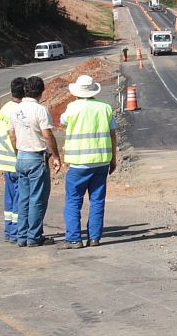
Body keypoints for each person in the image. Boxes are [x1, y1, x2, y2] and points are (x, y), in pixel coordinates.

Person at [59, 74, 118, 249]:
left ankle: (74, 239)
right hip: (101, 162)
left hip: (78, 163)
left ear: (77, 91)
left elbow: (62, 122)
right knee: (97, 200)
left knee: (73, 201)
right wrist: (113, 159)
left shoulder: (72, 107)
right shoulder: (105, 108)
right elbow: (113, 134)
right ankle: (94, 238)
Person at [9, 76, 61, 247]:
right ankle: (34, 236)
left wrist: (18, 152)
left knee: (23, 198)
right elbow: (47, 135)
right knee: (38, 198)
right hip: (36, 157)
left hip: (21, 156)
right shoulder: (40, 110)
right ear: (41, 91)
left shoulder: (15, 110)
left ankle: (21, 236)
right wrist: (56, 156)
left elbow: (12, 135)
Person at [0, 77, 25, 243]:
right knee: (19, 198)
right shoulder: (19, 110)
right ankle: (15, 232)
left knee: (10, 197)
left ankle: (9, 230)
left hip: (4, 159)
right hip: (15, 159)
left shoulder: (5, 107)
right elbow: (14, 136)